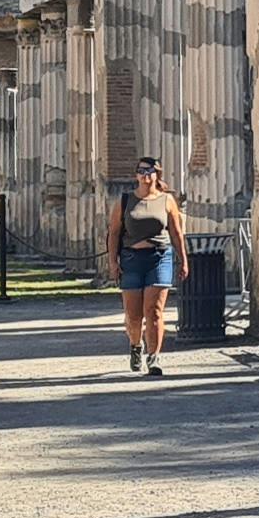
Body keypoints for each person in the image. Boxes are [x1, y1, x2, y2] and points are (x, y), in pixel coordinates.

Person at [108, 156, 188, 376]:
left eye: (149, 171)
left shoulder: (167, 200)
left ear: (157, 174)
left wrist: (183, 259)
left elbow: (176, 232)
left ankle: (154, 358)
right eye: (141, 171)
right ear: (136, 175)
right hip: (131, 259)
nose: (145, 175)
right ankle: (136, 346)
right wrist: (113, 262)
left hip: (159, 257)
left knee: (154, 312)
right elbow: (114, 233)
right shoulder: (124, 200)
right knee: (134, 316)